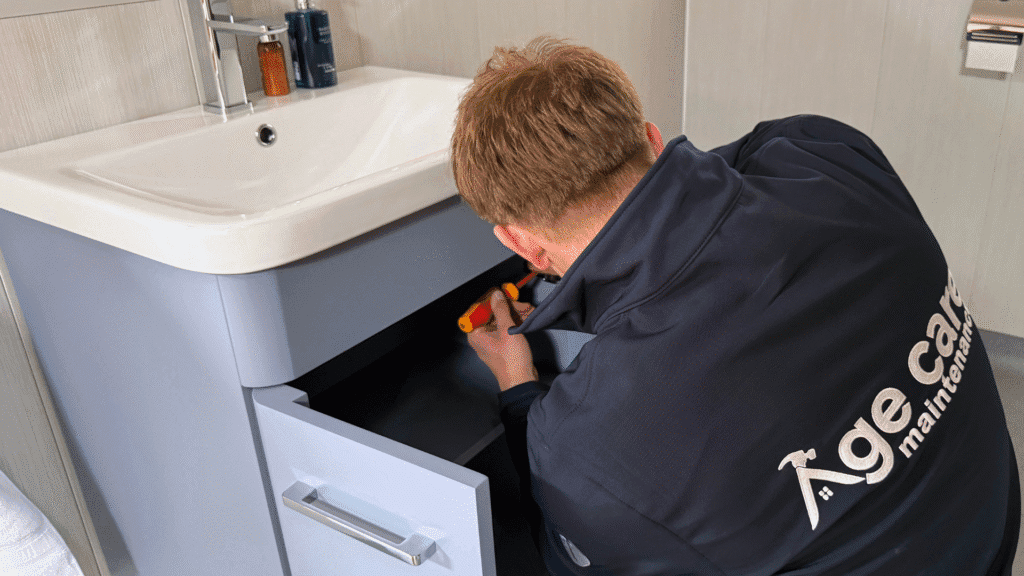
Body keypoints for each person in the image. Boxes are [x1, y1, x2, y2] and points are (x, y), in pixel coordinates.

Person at [451, 36, 1020, 575]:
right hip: (986, 532)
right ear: (652, 139)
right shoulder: (829, 156)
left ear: (518, 243)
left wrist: (520, 388)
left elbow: (568, 557)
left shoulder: (587, 449)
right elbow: (719, 178)